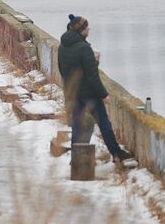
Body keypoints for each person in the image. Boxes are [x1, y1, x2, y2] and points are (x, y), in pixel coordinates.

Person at [57, 14, 133, 163]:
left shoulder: (62, 46)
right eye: (87, 27)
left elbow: (62, 70)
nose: (89, 29)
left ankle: (77, 159)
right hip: (89, 95)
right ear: (81, 30)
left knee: (77, 125)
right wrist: (104, 94)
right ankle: (116, 153)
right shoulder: (84, 48)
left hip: (72, 93)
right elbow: (92, 76)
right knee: (104, 123)